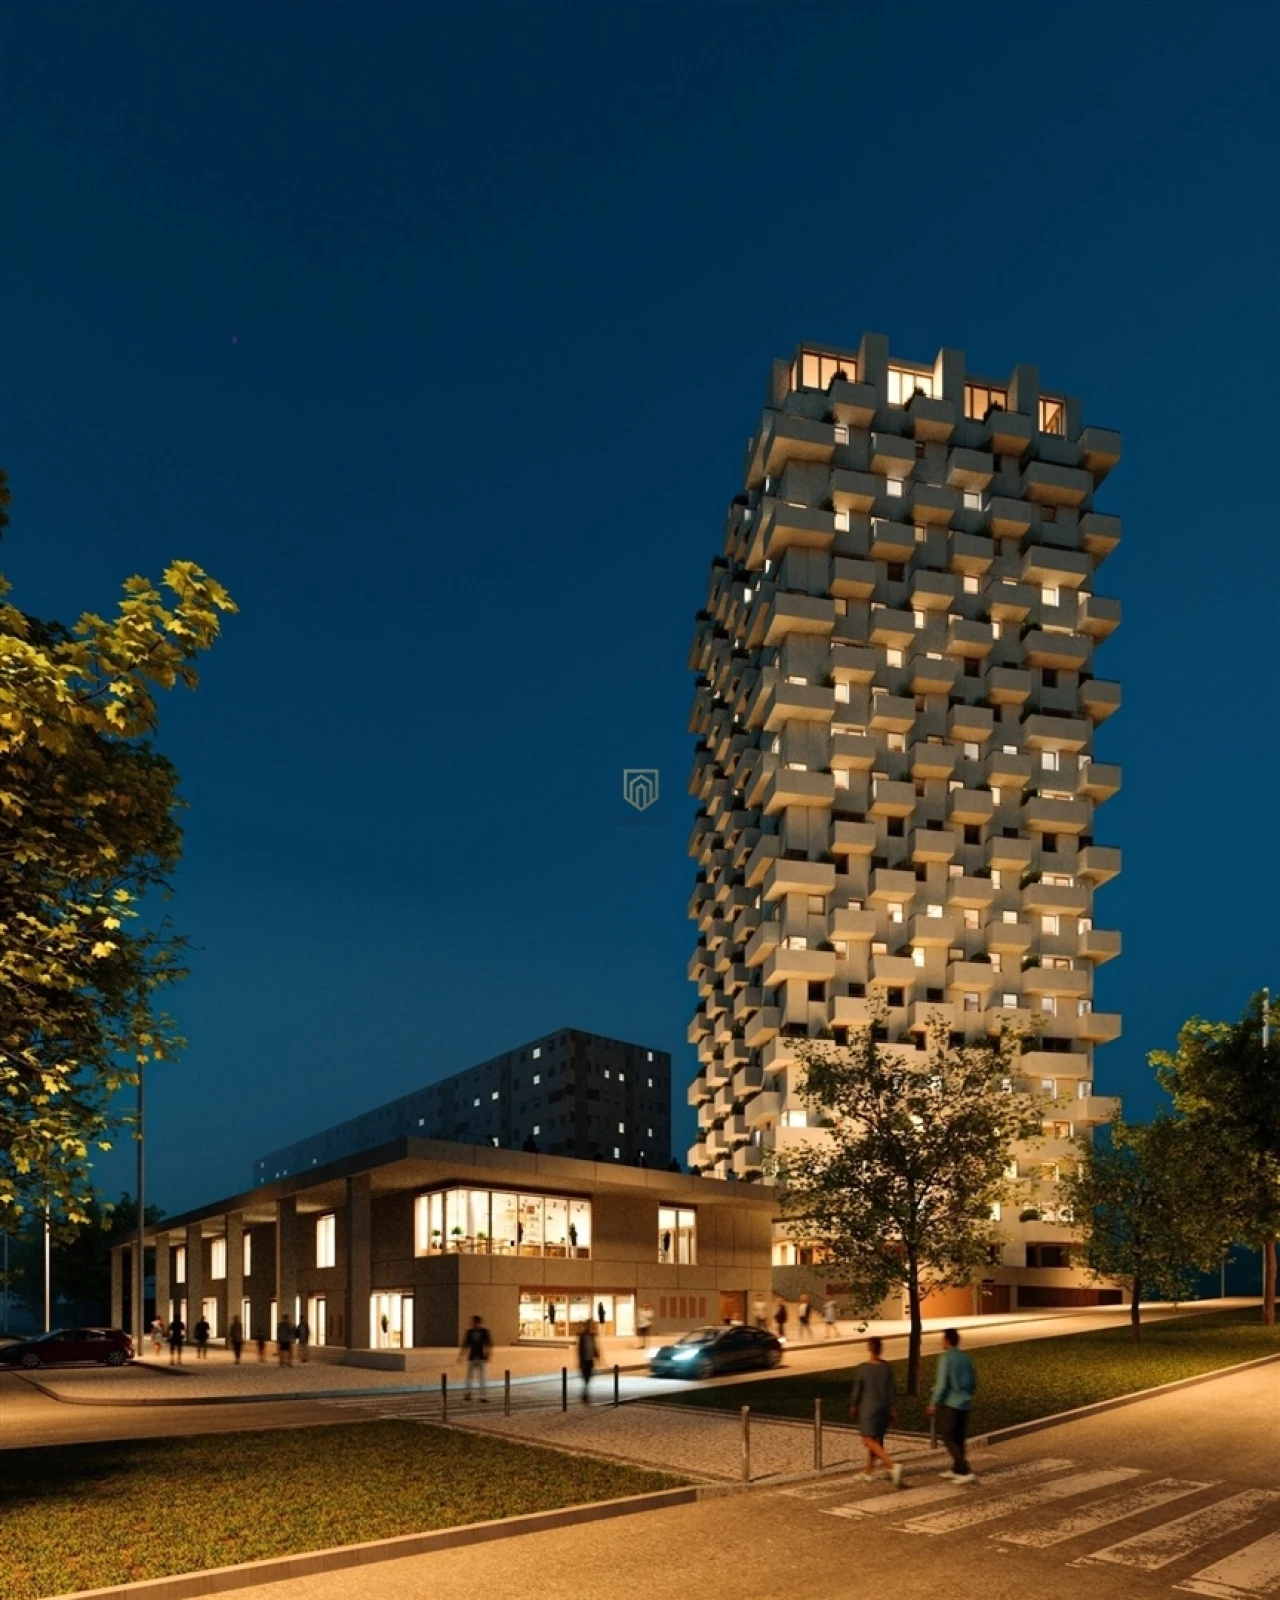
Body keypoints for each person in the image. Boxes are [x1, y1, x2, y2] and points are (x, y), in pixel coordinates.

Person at [849, 1336, 904, 1487]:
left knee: (868, 1439)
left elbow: (857, 1389)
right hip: (883, 1406)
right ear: (880, 1349)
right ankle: (868, 1470)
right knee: (877, 1439)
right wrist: (892, 1407)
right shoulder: (886, 1368)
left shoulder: (863, 1368)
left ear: (869, 1348)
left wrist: (853, 1405)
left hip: (868, 1407)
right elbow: (891, 1390)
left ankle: (892, 1465)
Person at [927, 1327, 978, 1484]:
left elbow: (942, 1384)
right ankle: (957, 1469)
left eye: (943, 1339)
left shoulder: (945, 1358)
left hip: (951, 1402)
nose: (941, 1342)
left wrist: (933, 1402)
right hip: (965, 1402)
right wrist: (967, 1394)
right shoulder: (965, 1358)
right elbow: (973, 1381)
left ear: (947, 1340)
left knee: (947, 1435)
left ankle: (964, 1469)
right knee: (959, 1436)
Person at [459, 1314, 492, 1402]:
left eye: (473, 1322)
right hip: (472, 1356)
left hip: (481, 1357)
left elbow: (488, 1344)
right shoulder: (469, 1332)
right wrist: (461, 1355)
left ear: (478, 1322)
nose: (472, 1323)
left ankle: (483, 1396)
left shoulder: (485, 1332)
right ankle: (468, 1393)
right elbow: (465, 1344)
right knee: (469, 1376)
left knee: (482, 1377)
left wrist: (488, 1354)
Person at [577, 1318, 599, 1403]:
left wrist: (597, 1355)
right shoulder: (582, 1335)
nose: (591, 1326)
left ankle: (585, 1393)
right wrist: (580, 1360)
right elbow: (579, 1349)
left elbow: (594, 1346)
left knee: (589, 1377)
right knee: (586, 1377)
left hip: (590, 1359)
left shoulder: (592, 1335)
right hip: (584, 1359)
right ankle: (585, 1393)